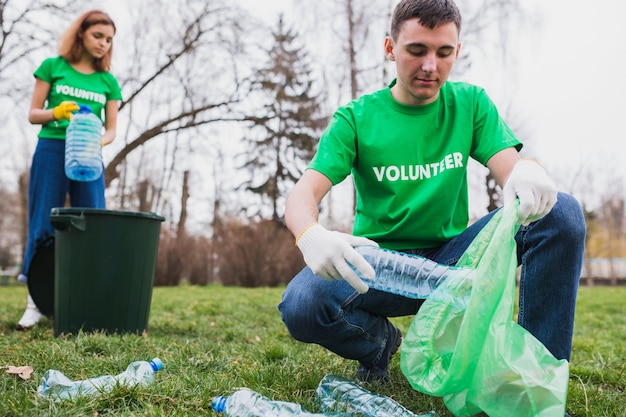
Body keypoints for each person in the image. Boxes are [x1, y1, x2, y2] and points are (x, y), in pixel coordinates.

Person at [278, 0, 584, 413]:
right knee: (301, 305)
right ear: (390, 48)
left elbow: (512, 168)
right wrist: (310, 235)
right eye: (417, 50)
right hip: (379, 268)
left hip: (454, 265)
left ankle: (532, 380)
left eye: (444, 53)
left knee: (560, 212)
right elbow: (302, 194)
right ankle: (380, 345)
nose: (430, 66)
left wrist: (526, 171)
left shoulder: (470, 104)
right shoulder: (356, 118)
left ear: (457, 51)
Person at [16, 10, 122, 329]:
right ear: (80, 34)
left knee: (93, 221)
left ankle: (90, 301)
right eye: (97, 36)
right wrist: (56, 112)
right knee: (43, 221)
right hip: (51, 148)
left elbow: (112, 130)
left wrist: (95, 142)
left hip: (88, 155)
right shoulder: (53, 67)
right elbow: (33, 114)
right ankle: (35, 303)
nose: (103, 44)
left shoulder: (108, 81)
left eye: (109, 40)